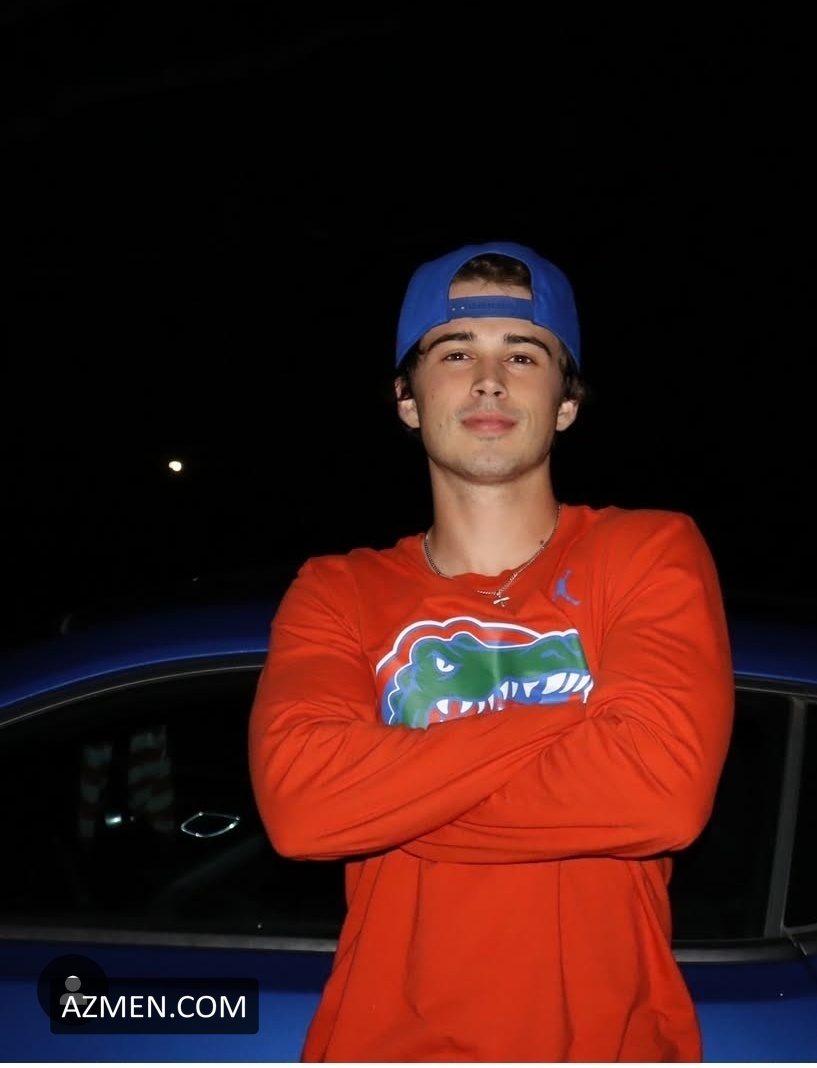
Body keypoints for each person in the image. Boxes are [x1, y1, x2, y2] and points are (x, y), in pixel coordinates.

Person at [248, 241, 735, 1062]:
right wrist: (577, 727)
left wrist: (389, 791)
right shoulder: (338, 591)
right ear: (407, 399)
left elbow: (662, 794)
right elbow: (303, 808)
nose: (488, 379)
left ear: (565, 403)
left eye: (523, 354)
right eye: (454, 352)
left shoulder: (647, 552)